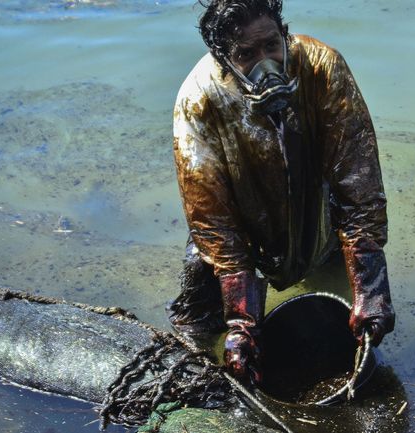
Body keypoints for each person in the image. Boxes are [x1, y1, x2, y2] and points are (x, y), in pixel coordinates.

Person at [169, 0, 394, 382]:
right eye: (246, 54)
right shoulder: (198, 101)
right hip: (240, 230)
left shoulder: (322, 67)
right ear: (222, 58)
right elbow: (212, 218)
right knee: (198, 333)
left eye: (271, 45)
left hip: (316, 215)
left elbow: (358, 182)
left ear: (284, 35)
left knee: (346, 302)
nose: (265, 62)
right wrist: (242, 324)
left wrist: (372, 289)